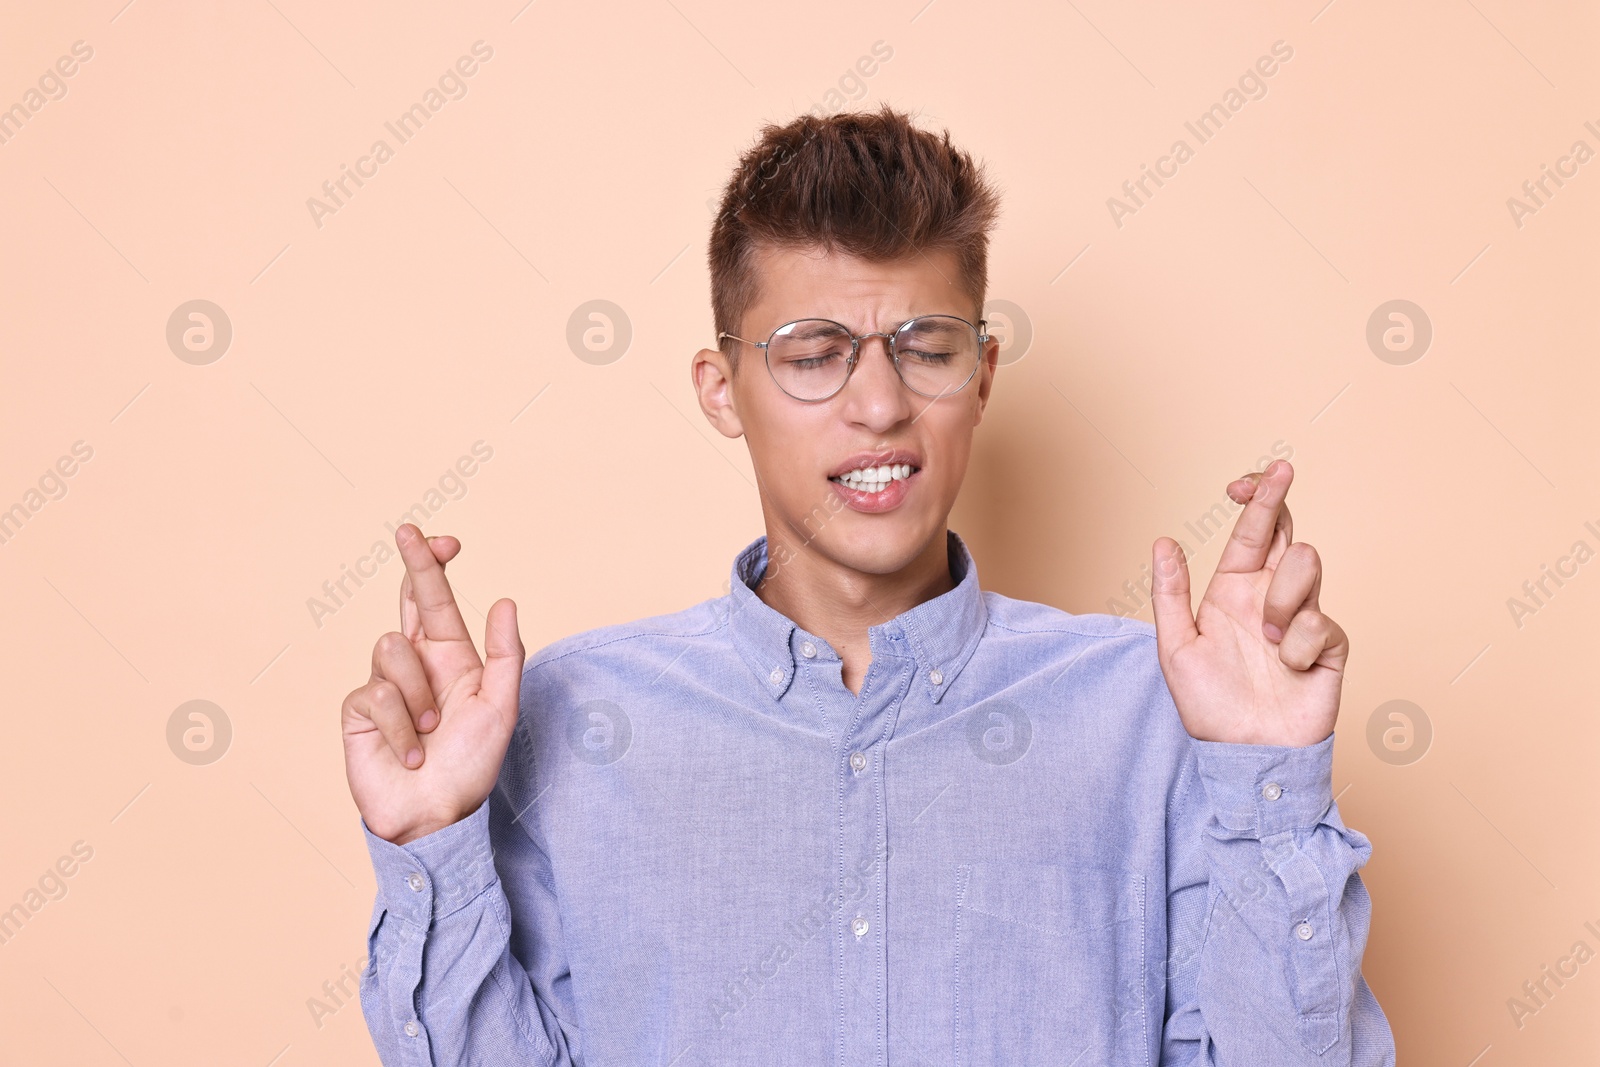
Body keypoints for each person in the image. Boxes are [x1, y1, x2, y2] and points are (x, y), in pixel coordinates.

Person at [341, 103, 1396, 1065]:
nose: (880, 403)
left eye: (924, 347)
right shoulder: (571, 721)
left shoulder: (1154, 712)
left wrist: (1266, 780)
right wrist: (432, 844)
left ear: (980, 375)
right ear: (722, 389)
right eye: (814, 353)